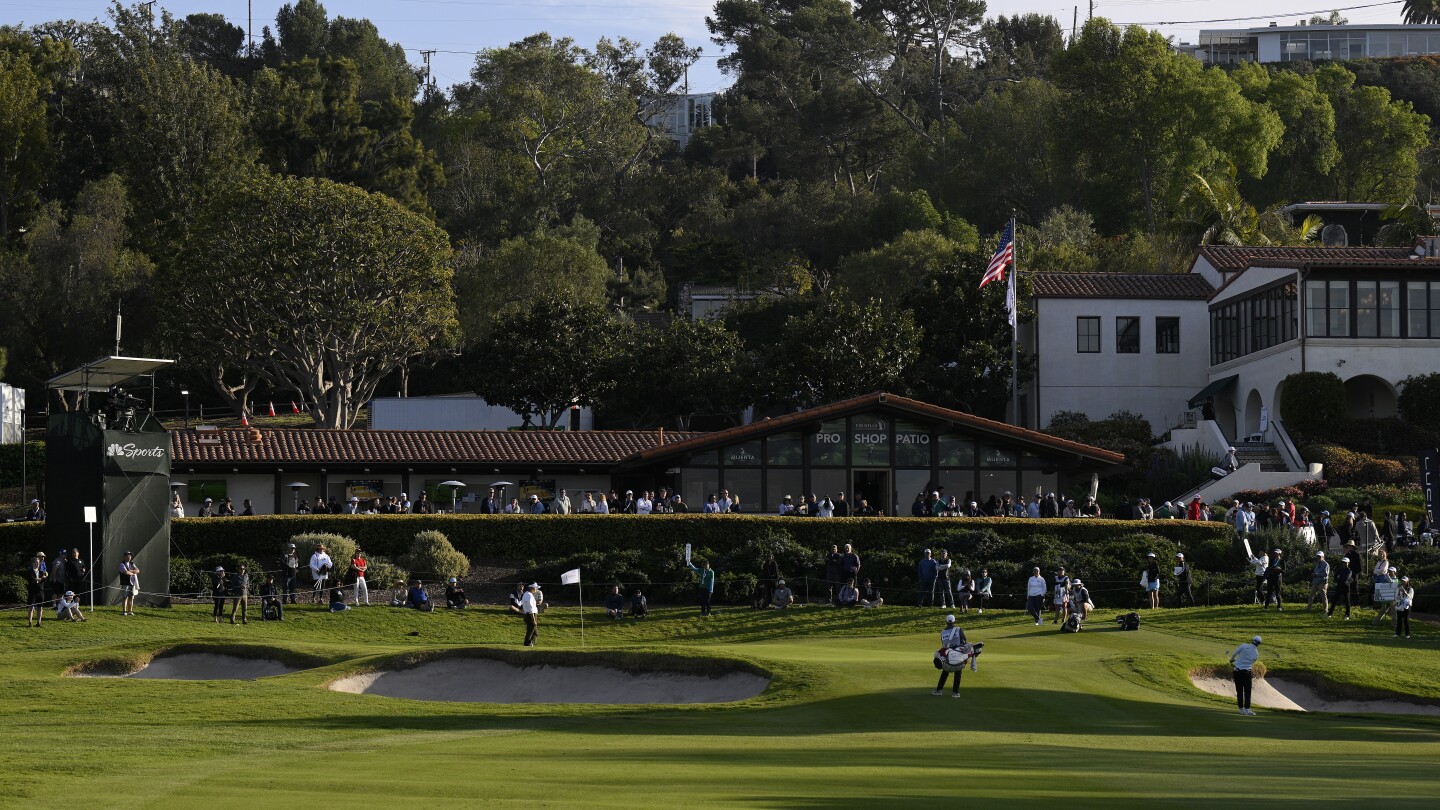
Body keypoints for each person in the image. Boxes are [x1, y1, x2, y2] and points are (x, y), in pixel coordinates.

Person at [932, 614, 969, 698]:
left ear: (946, 622)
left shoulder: (942, 632)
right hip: (958, 653)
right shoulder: (958, 629)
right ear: (954, 621)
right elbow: (964, 641)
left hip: (948, 654)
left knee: (945, 672)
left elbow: (943, 644)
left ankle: (938, 690)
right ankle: (955, 693)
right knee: (958, 672)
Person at [1228, 635, 1262, 715]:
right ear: (1259, 644)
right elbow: (1250, 663)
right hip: (1247, 672)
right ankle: (1247, 709)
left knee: (1239, 690)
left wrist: (1232, 659)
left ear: (1252, 640)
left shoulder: (1243, 646)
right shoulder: (1256, 654)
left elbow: (1234, 654)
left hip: (1237, 671)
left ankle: (1240, 709)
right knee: (1247, 691)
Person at [1327, 553, 1354, 620]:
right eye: (1343, 562)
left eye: (1345, 562)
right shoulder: (1340, 569)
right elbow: (1335, 577)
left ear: (1348, 563)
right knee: (1334, 600)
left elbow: (1346, 578)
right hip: (1339, 586)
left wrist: (1340, 578)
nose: (1344, 564)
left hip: (1346, 587)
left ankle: (1347, 615)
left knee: (1347, 601)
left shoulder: (1349, 570)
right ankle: (1329, 614)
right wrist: (1340, 578)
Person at [25, 553, 48, 627]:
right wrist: (40, 579)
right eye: (36, 563)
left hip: (40, 591)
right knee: (31, 607)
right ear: (33, 563)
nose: (37, 564)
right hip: (32, 591)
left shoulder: (41, 572)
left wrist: (43, 578)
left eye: (38, 563)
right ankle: (30, 623)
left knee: (40, 607)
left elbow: (44, 580)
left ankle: (38, 622)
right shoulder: (30, 571)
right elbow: (32, 580)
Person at [118, 551, 140, 616]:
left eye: (130, 556)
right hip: (125, 583)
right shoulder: (121, 564)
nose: (129, 557)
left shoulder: (132, 564)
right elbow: (126, 573)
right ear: (124, 556)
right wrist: (133, 572)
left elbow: (138, 570)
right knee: (125, 597)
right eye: (127, 556)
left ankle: (130, 611)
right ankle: (124, 611)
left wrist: (131, 571)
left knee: (131, 597)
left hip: (132, 583)